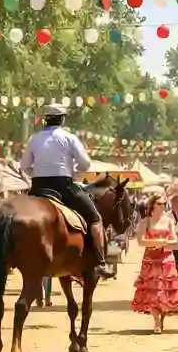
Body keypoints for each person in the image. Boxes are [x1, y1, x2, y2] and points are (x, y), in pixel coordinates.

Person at [19, 104, 111, 278]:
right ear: (62, 119)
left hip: (37, 187)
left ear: (45, 119)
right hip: (63, 186)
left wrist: (36, 174)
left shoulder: (34, 139)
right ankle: (100, 263)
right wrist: (73, 171)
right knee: (95, 219)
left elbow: (24, 166)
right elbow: (85, 164)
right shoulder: (69, 138)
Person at [131, 200, 178, 333]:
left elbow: (174, 240)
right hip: (151, 259)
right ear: (153, 205)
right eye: (159, 203)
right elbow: (140, 241)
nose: (162, 205)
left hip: (166, 259)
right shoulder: (145, 222)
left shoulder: (168, 221)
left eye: (163, 203)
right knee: (153, 290)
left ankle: (161, 319)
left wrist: (164, 243)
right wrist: (157, 242)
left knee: (165, 289)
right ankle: (156, 321)